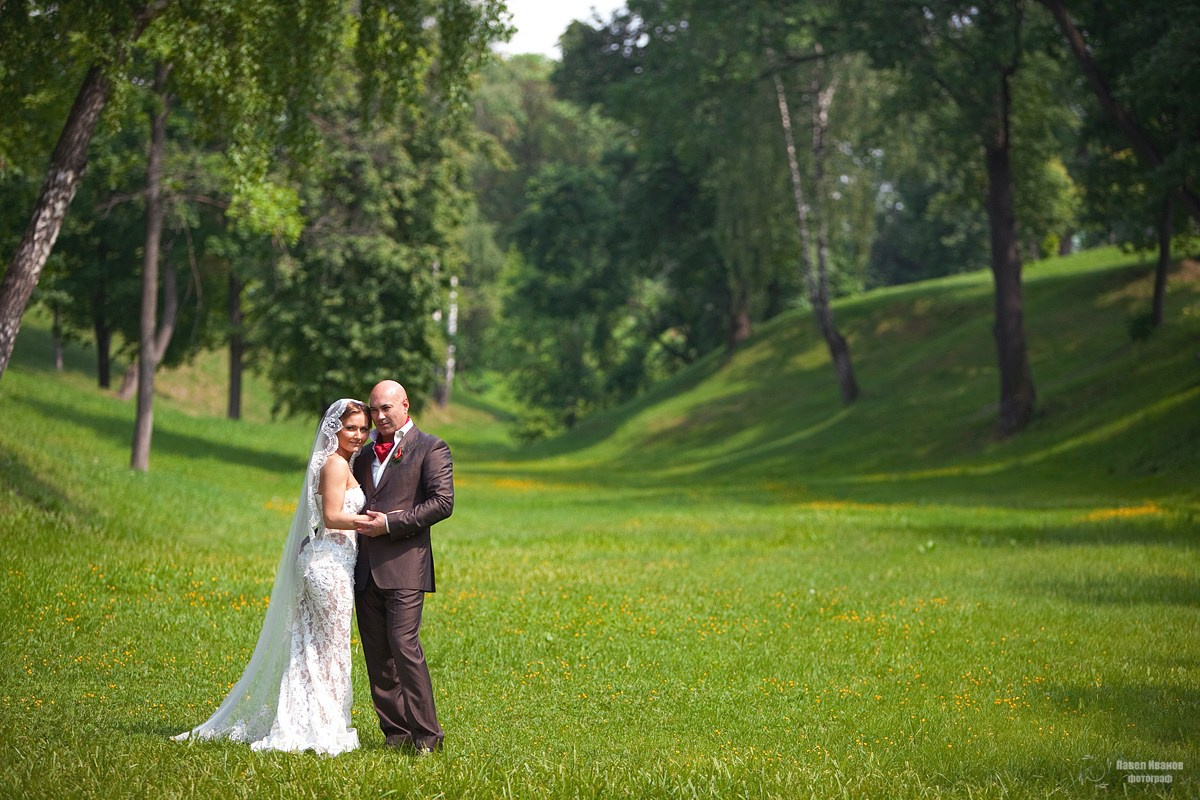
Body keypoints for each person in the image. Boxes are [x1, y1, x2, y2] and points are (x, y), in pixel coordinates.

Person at [174, 399, 372, 754]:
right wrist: (372, 522)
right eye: (351, 428)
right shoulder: (334, 465)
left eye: (363, 428)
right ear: (334, 429)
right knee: (330, 647)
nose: (358, 435)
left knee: (311, 645)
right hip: (327, 564)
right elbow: (330, 516)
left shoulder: (339, 462)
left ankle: (305, 719)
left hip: (329, 561)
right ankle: (324, 726)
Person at [353, 380, 454, 755]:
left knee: (404, 646)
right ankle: (396, 735)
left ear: (405, 405)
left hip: (405, 567)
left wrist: (391, 524)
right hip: (364, 570)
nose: (379, 416)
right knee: (377, 656)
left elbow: (443, 502)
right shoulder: (362, 456)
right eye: (374, 409)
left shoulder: (431, 447)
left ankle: (428, 738)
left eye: (386, 408)